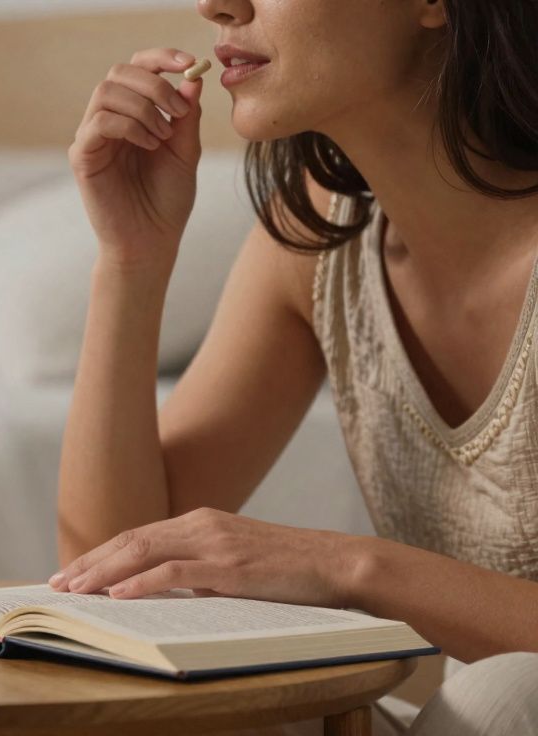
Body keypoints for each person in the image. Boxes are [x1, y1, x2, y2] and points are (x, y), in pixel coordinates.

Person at [50, 0, 538, 733]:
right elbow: (109, 577)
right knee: (204, 710)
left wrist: (350, 570)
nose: (218, 5)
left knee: (506, 693)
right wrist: (130, 259)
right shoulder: (319, 239)